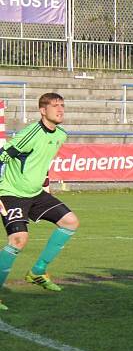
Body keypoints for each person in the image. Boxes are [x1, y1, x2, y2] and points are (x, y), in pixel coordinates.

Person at [0, 93, 79, 310]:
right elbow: (1, 156)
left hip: (36, 193)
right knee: (18, 240)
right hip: (11, 193)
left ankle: (37, 272)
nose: (60, 110)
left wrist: (44, 180)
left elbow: (41, 161)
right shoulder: (30, 134)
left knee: (70, 222)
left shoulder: (61, 135)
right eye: (55, 106)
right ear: (43, 111)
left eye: (62, 105)